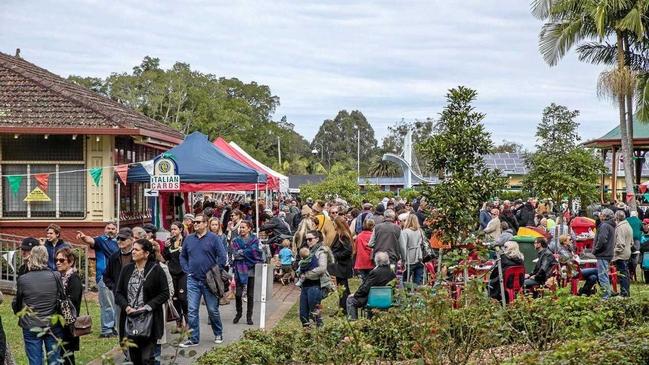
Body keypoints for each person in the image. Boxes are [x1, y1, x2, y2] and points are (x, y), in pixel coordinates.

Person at [114, 239, 170, 365]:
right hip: (130, 320)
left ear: (146, 254)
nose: (133, 252)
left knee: (147, 358)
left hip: (149, 320)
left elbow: (165, 293)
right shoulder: (126, 270)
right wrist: (126, 307)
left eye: (136, 249)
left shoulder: (156, 270)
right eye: (133, 249)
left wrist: (147, 307)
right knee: (134, 358)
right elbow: (118, 293)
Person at [179, 213, 228, 347]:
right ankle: (193, 338)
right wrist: (186, 269)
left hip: (209, 281)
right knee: (192, 310)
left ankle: (218, 332)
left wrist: (214, 272)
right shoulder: (188, 239)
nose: (195, 224)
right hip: (193, 279)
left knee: (212, 309)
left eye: (199, 222)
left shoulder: (214, 238)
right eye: (194, 222)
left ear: (206, 223)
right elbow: (182, 256)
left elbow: (222, 257)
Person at [12, 246, 64, 365]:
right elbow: (62, 297)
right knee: (55, 359)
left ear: (31, 258)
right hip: (53, 322)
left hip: (31, 323)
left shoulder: (23, 279)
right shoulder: (56, 276)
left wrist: (17, 312)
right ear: (46, 258)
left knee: (35, 360)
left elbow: (18, 302)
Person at [77, 222, 119, 338]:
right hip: (104, 277)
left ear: (116, 230)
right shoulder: (100, 240)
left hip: (118, 277)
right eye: (108, 228)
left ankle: (115, 328)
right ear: (104, 230)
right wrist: (83, 237)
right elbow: (91, 240)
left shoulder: (119, 242)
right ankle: (106, 330)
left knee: (117, 303)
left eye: (113, 229)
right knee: (107, 304)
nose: (110, 230)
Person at [346, 251, 396, 320]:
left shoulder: (375, 272)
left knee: (350, 300)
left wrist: (355, 295)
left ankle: (353, 322)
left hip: (373, 300)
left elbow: (365, 288)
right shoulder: (392, 273)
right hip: (388, 300)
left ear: (376, 261)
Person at [299, 230, 334, 327]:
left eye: (310, 239)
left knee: (315, 314)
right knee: (303, 314)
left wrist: (306, 275)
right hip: (305, 286)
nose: (308, 242)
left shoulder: (322, 251)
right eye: (306, 240)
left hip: (315, 286)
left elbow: (322, 268)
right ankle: (307, 336)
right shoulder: (308, 251)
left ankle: (321, 334)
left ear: (317, 239)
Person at [231, 221, 263, 325]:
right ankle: (238, 313)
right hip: (239, 269)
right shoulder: (235, 240)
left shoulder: (254, 239)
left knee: (250, 295)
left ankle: (249, 317)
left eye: (243, 227)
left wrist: (243, 252)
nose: (241, 229)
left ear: (249, 228)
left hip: (251, 269)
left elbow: (256, 254)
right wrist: (247, 252)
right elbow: (235, 254)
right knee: (238, 295)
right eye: (240, 227)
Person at [55, 248, 82, 365]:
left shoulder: (73, 278)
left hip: (69, 323)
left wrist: (56, 303)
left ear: (70, 262)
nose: (58, 263)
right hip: (61, 323)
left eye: (62, 260)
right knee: (62, 354)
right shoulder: (61, 277)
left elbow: (73, 301)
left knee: (68, 355)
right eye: (56, 260)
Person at [152, 243, 174, 365]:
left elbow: (170, 289)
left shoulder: (162, 268)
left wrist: (160, 300)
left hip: (157, 309)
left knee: (156, 338)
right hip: (140, 312)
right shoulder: (133, 268)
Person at [163, 222, 188, 331]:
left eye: (175, 229)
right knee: (175, 298)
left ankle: (188, 322)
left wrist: (185, 251)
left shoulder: (186, 241)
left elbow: (191, 255)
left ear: (181, 229)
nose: (173, 231)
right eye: (171, 229)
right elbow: (166, 258)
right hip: (172, 272)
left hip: (183, 272)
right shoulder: (170, 242)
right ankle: (178, 323)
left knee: (183, 298)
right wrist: (165, 248)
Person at [328, 216, 353, 314]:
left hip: (342, 266)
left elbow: (348, 250)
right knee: (342, 287)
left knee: (343, 288)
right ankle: (343, 307)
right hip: (340, 265)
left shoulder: (343, 236)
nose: (333, 225)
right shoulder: (339, 235)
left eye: (334, 223)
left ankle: (344, 309)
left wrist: (335, 256)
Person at [592, 208, 616, 299]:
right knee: (604, 275)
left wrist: (596, 250)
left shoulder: (605, 225)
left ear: (605, 216)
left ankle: (606, 297)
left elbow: (602, 239)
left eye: (601, 214)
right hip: (607, 253)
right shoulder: (610, 225)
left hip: (603, 253)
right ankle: (608, 294)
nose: (600, 215)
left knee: (602, 276)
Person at [399, 214, 425, 285]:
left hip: (409, 258)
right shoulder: (420, 231)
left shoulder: (405, 232)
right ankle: (417, 294)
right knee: (418, 280)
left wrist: (402, 260)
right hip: (419, 257)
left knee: (405, 280)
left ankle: (407, 294)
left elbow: (403, 246)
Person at [613, 210, 632, 297]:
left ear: (617, 218)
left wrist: (614, 252)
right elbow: (631, 242)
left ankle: (624, 293)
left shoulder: (620, 227)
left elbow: (620, 244)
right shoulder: (628, 225)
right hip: (627, 252)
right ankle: (626, 292)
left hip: (621, 254)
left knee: (622, 275)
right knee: (626, 274)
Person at [627, 211, 642, 281]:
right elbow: (642, 229)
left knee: (628, 255)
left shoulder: (626, 220)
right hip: (636, 239)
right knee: (636, 255)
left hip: (628, 239)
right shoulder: (639, 221)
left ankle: (628, 272)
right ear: (636, 215)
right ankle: (632, 272)